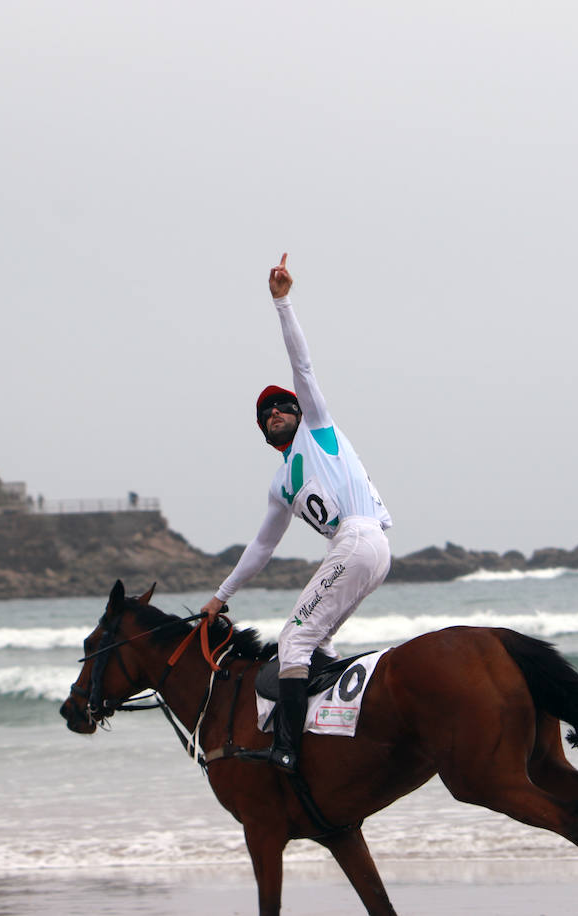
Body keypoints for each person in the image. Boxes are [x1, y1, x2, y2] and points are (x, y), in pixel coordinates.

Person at [200, 254, 392, 773]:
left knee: (293, 640)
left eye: (282, 406)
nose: (275, 412)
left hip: (359, 539)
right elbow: (262, 547)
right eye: (266, 414)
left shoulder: (318, 428)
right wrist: (221, 597)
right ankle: (337, 730)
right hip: (364, 551)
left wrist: (282, 301)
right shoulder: (280, 484)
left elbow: (301, 366)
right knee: (317, 642)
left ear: (300, 412)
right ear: (264, 434)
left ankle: (286, 746)